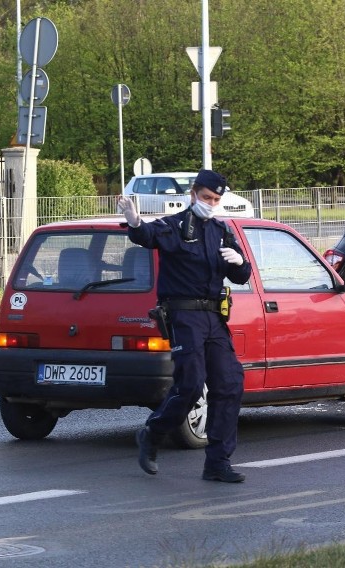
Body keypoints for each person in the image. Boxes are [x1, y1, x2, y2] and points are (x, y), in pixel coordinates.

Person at [117, 169, 252, 483]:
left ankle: (218, 462)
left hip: (214, 317)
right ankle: (153, 433)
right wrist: (135, 222)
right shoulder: (176, 226)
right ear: (193, 194)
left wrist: (239, 263)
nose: (211, 203)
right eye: (206, 197)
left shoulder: (221, 230)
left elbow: (241, 276)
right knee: (191, 384)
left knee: (229, 383)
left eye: (216, 199)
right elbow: (148, 236)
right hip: (184, 316)